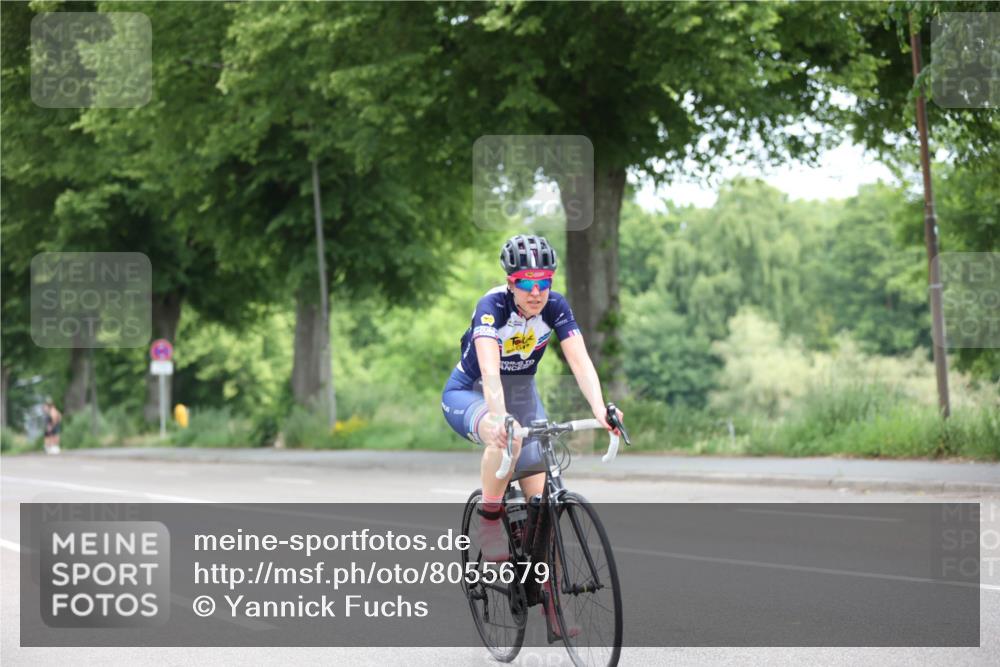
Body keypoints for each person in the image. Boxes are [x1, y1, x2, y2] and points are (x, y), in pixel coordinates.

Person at [441, 234, 623, 636]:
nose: (537, 292)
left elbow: (580, 362)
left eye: (545, 281)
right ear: (511, 281)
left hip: (523, 392)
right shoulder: (492, 307)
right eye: (527, 282)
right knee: (502, 435)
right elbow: (489, 373)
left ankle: (553, 607)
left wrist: (601, 410)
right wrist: (501, 420)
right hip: (471, 392)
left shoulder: (555, 306)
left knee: (544, 510)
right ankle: (490, 521)